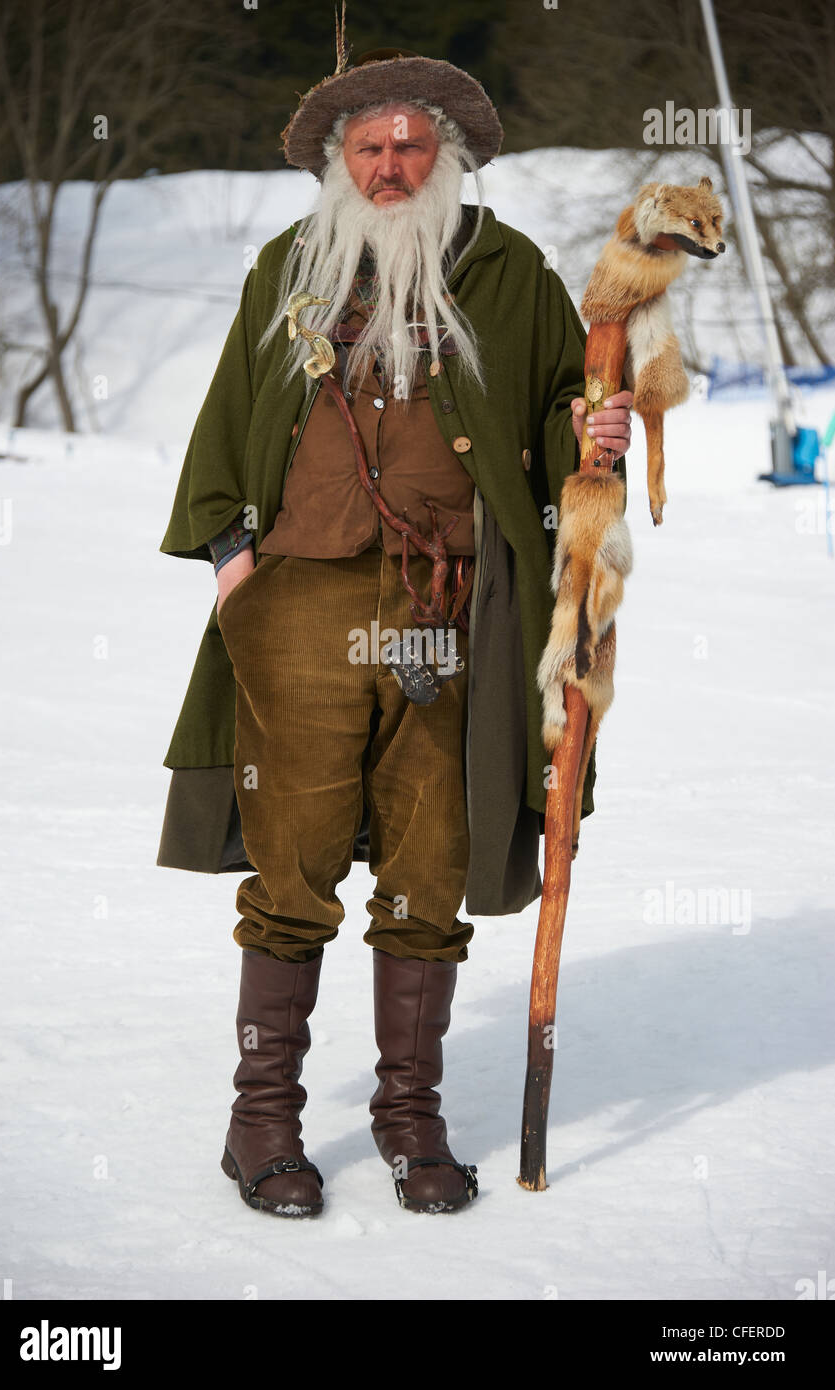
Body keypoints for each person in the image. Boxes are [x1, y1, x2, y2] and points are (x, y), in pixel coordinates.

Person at [157, 44, 632, 1218]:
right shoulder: (290, 266)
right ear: (336, 162)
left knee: (427, 863)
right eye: (367, 147)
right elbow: (226, 421)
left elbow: (563, 407)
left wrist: (599, 430)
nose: (388, 164)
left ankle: (409, 1119)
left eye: (411, 144)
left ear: (449, 157)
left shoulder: (508, 269)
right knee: (295, 857)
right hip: (301, 602)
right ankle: (260, 1120)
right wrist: (233, 566)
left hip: (451, 606)